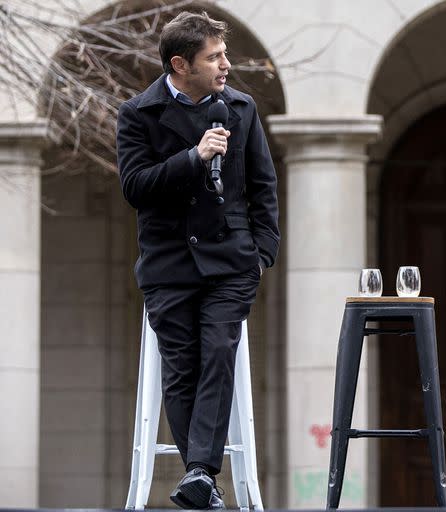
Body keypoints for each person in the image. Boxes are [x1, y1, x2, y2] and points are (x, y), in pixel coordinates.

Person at [116, 11, 279, 510]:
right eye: (215, 57)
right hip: (168, 262)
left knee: (217, 352)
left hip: (231, 262)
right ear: (181, 64)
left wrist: (262, 252)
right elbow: (136, 187)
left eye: (224, 54)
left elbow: (262, 185)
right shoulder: (137, 113)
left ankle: (200, 474)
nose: (226, 64)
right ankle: (202, 479)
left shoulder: (241, 108)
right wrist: (193, 158)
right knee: (182, 367)